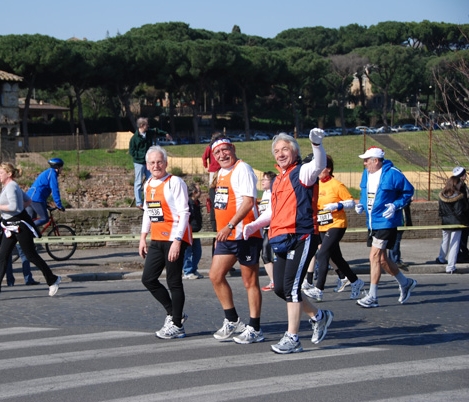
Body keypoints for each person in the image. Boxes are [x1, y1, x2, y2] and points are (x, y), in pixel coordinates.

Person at [244, 130, 334, 354]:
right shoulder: (277, 180)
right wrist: (254, 225)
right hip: (281, 237)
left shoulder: (302, 172)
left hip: (302, 236)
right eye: (276, 151)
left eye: (285, 149)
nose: (280, 153)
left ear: (295, 151)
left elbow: (318, 164)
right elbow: (273, 211)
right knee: (281, 289)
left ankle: (293, 338)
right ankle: (319, 316)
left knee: (292, 288)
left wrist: (316, 144)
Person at [208, 134, 264, 345]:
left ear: (232, 149)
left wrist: (230, 225)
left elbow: (249, 202)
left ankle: (255, 327)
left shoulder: (243, 169)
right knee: (215, 275)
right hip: (226, 235)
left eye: (225, 150)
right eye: (217, 153)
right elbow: (221, 205)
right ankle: (232, 320)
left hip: (244, 233)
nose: (222, 155)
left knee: (249, 282)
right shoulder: (220, 173)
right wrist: (220, 232)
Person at [139, 146, 192, 339]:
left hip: (174, 237)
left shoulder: (175, 182)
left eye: (159, 162)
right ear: (147, 165)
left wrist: (178, 241)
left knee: (173, 281)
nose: (156, 165)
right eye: (152, 162)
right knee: (148, 278)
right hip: (157, 238)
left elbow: (184, 212)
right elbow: (148, 212)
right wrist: (143, 237)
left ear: (166, 163)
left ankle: (177, 325)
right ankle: (174, 312)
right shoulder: (147, 185)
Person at [355, 146, 417, 308]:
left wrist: (395, 206)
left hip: (386, 222)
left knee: (374, 256)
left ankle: (372, 296)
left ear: (376, 161)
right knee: (382, 259)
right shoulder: (366, 174)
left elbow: (408, 191)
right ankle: (405, 282)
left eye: (367, 160)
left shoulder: (393, 173)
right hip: (372, 222)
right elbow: (365, 194)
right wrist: (361, 205)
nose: (364, 163)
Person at [303, 155, 365, 302]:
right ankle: (355, 281)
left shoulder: (336, 185)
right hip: (322, 224)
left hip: (337, 224)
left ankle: (319, 289)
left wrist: (337, 206)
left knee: (322, 254)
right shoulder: (316, 184)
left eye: (321, 167)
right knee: (336, 257)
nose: (318, 170)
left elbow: (351, 202)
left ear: (329, 169)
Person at [0, 162, 61, 296]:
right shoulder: (9, 186)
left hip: (20, 226)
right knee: (3, 256)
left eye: (1, 172)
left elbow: (14, 207)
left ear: (9, 174)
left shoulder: (11, 187)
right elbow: (27, 201)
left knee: (31, 255)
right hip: (10, 226)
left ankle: (53, 279)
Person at [129, 117, 169, 210]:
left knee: (151, 180)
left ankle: (150, 199)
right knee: (138, 182)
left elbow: (156, 131)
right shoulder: (134, 138)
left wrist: (165, 133)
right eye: (147, 124)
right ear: (142, 125)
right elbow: (132, 151)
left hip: (149, 163)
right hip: (139, 162)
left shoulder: (148, 133)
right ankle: (139, 202)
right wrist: (140, 157)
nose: (148, 126)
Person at [436, 176, 469, 274]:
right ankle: (450, 267)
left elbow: (440, 211)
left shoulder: (442, 195)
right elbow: (459, 212)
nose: (460, 185)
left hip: (445, 222)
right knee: (454, 244)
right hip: (456, 223)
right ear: (455, 184)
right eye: (459, 184)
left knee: (445, 241)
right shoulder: (459, 196)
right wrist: (465, 222)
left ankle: (441, 258)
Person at [26, 157, 65, 226]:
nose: (62, 169)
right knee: (44, 218)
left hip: (29, 197)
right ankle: (26, 229)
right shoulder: (52, 174)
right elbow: (54, 190)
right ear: (57, 167)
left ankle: (27, 233)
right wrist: (59, 205)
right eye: (61, 167)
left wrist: (45, 204)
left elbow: (42, 187)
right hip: (36, 198)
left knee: (31, 220)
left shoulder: (48, 172)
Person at [259, 171, 277, 292]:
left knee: (271, 254)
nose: (262, 182)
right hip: (265, 229)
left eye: (265, 179)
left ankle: (277, 280)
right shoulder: (265, 194)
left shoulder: (274, 193)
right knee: (265, 255)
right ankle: (273, 280)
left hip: (274, 228)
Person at [182, 183, 204, 279]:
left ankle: (194, 269)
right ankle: (187, 271)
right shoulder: (188, 203)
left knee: (197, 252)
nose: (201, 193)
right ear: (194, 192)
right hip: (189, 231)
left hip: (196, 231)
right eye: (199, 191)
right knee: (188, 252)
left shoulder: (196, 203)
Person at [452, 166, 469, 263]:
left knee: (463, 237)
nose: (465, 176)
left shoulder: (461, 185)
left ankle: (463, 253)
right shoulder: (459, 186)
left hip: (463, 214)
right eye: (464, 174)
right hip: (462, 215)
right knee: (461, 237)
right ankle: (460, 255)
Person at [388, 202, 413, 268]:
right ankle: (394, 260)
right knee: (395, 241)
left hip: (399, 222)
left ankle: (394, 259)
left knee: (395, 241)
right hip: (397, 222)